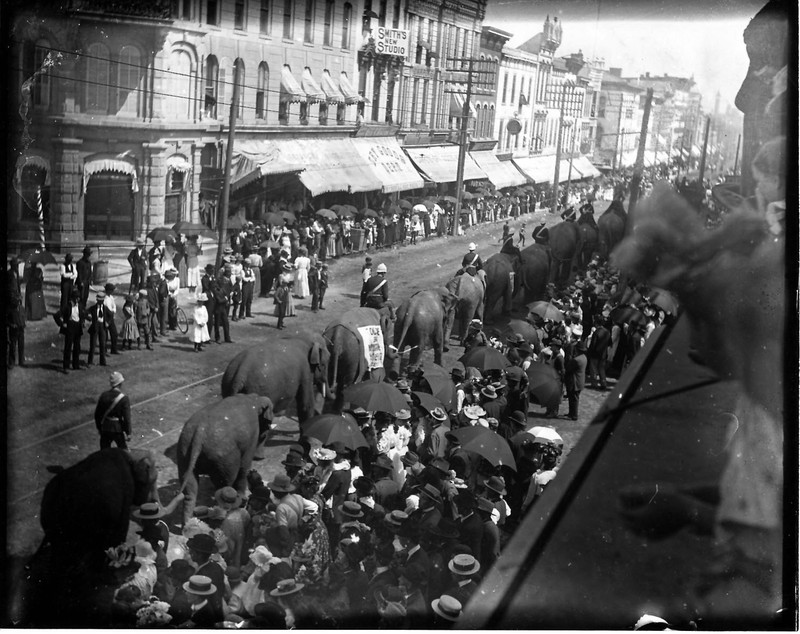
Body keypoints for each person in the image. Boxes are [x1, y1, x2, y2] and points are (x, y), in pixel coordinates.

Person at [94, 371, 132, 449]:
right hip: (117, 428)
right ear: (120, 383)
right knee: (123, 452)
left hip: (105, 428)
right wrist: (128, 432)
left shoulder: (104, 395)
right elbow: (126, 417)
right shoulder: (124, 398)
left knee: (104, 452)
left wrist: (99, 428)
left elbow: (97, 414)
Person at [55, 289, 85, 371]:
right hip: (70, 327)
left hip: (77, 327)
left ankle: (76, 365)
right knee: (68, 347)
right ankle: (66, 366)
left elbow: (82, 314)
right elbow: (57, 315)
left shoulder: (80, 305)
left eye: (78, 298)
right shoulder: (67, 306)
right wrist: (62, 324)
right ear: (72, 298)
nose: (77, 300)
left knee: (77, 347)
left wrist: (83, 321)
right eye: (76, 298)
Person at [7, 259, 26, 368]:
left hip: (18, 307)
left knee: (21, 336)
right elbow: (9, 292)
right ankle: (11, 361)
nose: (18, 267)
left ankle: (21, 360)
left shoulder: (16, 274)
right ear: (13, 265)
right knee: (13, 337)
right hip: (12, 308)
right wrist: (16, 299)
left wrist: (19, 298)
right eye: (16, 265)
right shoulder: (9, 275)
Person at [564, 340, 587, 420]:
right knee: (572, 398)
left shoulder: (576, 360)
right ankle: (571, 413)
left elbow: (568, 368)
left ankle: (574, 415)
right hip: (579, 381)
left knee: (574, 399)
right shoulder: (584, 357)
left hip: (575, 382)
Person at [87, 291, 111, 367]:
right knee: (93, 345)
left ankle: (102, 361)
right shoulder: (93, 308)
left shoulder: (105, 308)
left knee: (102, 344)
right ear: (97, 300)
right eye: (99, 301)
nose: (101, 302)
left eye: (102, 301)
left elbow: (111, 315)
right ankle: (90, 362)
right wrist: (89, 318)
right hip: (95, 326)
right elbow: (84, 313)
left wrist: (107, 322)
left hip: (102, 326)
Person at [103, 283, 121, 355]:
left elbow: (114, 306)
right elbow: (104, 308)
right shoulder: (104, 298)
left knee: (114, 334)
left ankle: (113, 349)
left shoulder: (111, 297)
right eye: (111, 290)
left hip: (111, 316)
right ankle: (104, 350)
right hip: (106, 317)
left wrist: (113, 311)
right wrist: (109, 312)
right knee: (105, 335)